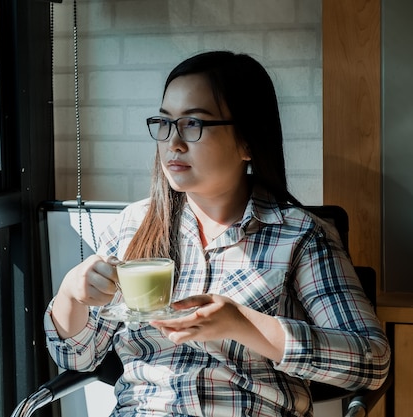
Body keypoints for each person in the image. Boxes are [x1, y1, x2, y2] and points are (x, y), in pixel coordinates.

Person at [44, 51, 390, 416]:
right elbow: (76, 357)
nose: (173, 142)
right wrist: (71, 294)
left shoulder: (300, 236)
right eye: (165, 123)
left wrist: (244, 324)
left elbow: (371, 362)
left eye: (193, 124)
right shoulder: (133, 227)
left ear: (247, 142)